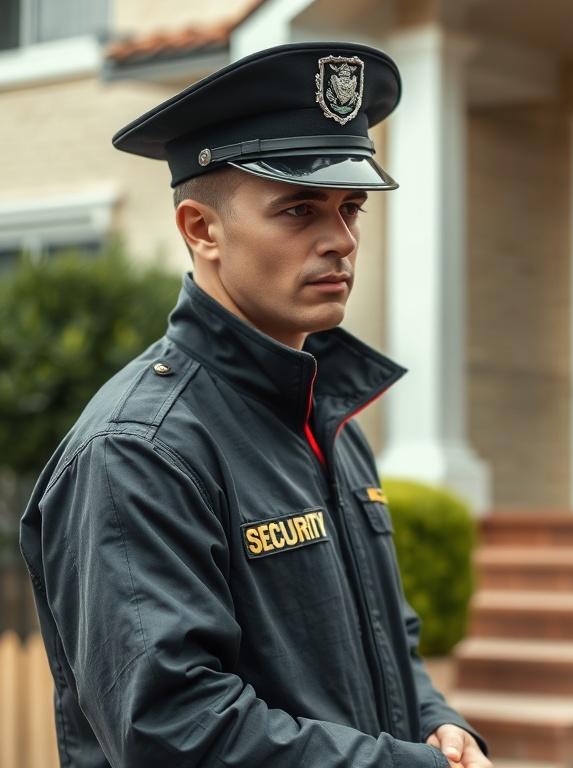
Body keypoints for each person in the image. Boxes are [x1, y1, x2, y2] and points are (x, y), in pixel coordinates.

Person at [20, 42, 490, 768]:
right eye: (299, 209)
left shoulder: (323, 412)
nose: (341, 240)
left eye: (351, 207)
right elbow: (176, 733)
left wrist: (434, 719)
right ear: (200, 230)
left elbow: (381, 636)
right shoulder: (140, 448)